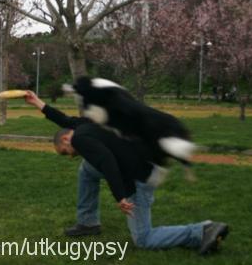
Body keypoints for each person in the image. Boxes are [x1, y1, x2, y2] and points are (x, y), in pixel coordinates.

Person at [24, 91, 229, 254]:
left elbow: (107, 161)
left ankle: (201, 230)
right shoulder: (84, 127)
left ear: (67, 140)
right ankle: (88, 223)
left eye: (65, 152)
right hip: (143, 166)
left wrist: (120, 196)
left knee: (143, 239)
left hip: (139, 177)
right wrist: (38, 103)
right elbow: (64, 120)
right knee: (86, 169)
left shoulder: (79, 139)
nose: (70, 155)